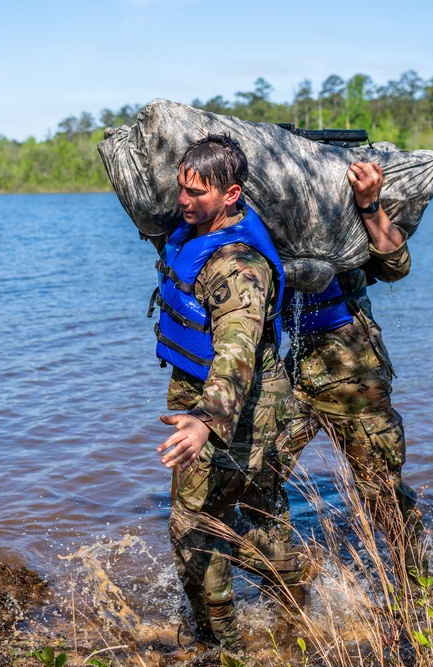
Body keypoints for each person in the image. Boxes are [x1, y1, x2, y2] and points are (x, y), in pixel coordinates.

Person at [149, 134, 312, 658]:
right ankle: (296, 609)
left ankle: (224, 648)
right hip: (252, 404)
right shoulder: (193, 233)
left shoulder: (238, 267)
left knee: (192, 527)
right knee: (259, 512)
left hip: (237, 409)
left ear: (232, 195)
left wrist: (205, 420)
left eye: (197, 193)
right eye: (181, 188)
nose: (183, 200)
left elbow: (236, 352)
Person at [283, 161, 430, 583]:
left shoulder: (338, 206)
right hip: (291, 366)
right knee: (254, 473)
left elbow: (396, 265)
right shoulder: (262, 205)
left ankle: (418, 595)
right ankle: (293, 581)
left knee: (381, 490)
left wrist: (368, 204)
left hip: (353, 365)